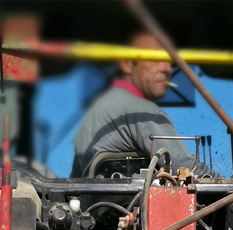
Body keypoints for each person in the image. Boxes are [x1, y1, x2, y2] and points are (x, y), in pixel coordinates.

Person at [71, 32, 214, 177]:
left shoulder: (93, 113)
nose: (168, 69)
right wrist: (220, 181)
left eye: (169, 61)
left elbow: (75, 182)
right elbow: (186, 170)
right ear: (127, 64)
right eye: (155, 58)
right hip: (133, 200)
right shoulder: (143, 113)